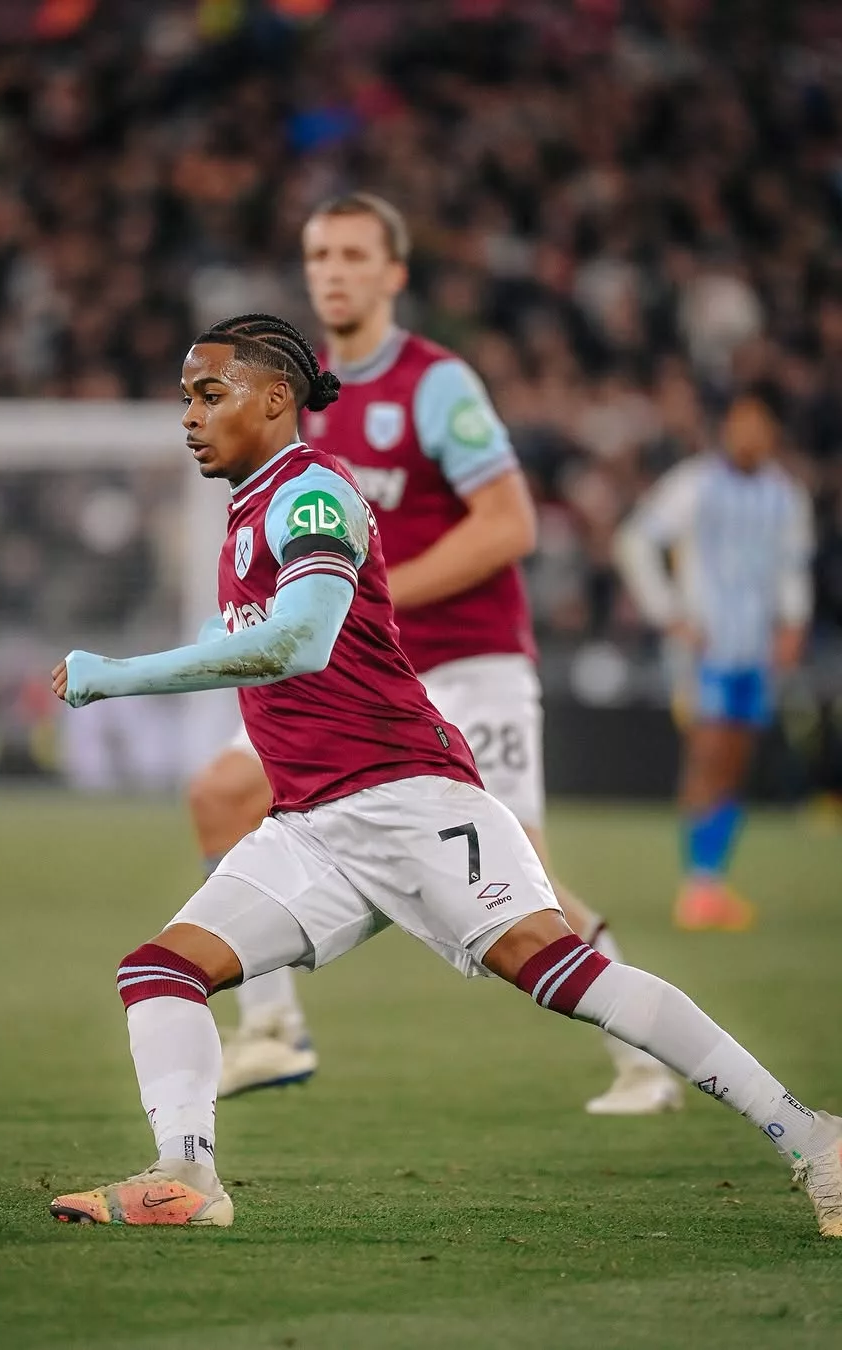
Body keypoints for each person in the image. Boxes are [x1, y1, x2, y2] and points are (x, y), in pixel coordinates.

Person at [47, 312, 841, 1235]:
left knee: (558, 973)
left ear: (275, 400)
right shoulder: (246, 510)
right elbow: (254, 644)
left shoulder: (312, 494)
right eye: (184, 396)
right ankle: (186, 1178)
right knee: (159, 971)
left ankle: (814, 1139)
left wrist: (119, 676)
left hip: (410, 800)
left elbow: (300, 643)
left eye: (209, 393)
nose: (189, 415)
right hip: (310, 826)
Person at [188, 193, 679, 1114]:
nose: (333, 270)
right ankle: (272, 1031)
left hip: (469, 659)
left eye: (353, 255)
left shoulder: (435, 384)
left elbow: (510, 523)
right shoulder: (296, 397)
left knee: (519, 877)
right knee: (220, 793)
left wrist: (367, 594)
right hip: (367, 675)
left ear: (393, 274)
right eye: (319, 254)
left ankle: (643, 1051)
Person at [615, 381, 814, 931]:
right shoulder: (695, 485)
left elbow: (790, 568)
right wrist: (668, 611)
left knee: (736, 762)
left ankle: (712, 880)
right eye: (740, 422)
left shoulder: (785, 495)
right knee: (708, 754)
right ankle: (697, 887)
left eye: (759, 424)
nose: (749, 434)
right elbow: (635, 541)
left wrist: (793, 623)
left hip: (757, 648)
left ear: (772, 433)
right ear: (727, 429)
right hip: (704, 648)